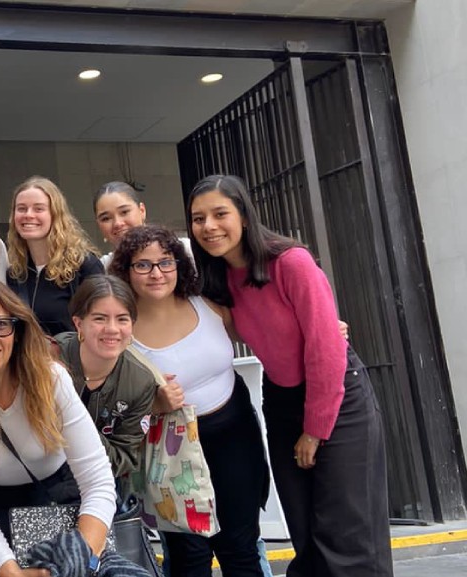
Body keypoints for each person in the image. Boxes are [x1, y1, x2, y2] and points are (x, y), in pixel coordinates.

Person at [186, 174, 392, 577]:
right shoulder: (218, 279)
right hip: (280, 401)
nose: (208, 226)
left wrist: (315, 429)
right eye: (198, 218)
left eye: (219, 214)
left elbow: (325, 348)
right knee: (304, 527)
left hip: (335, 396)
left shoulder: (291, 262)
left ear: (244, 215)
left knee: (346, 530)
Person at [0, 275, 116, 577]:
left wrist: (79, 558)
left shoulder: (52, 380)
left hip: (62, 495)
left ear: (17, 329)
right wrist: (11, 573)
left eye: (0, 324)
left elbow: (99, 482)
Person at [111, 224, 269, 577]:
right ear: (126, 271)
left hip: (234, 435)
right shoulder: (120, 332)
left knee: (241, 547)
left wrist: (321, 328)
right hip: (171, 452)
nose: (156, 273)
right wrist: (152, 406)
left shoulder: (209, 304)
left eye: (165, 262)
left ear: (179, 265)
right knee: (189, 556)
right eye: (143, 265)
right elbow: (109, 405)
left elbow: (266, 329)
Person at [53, 275, 158, 493]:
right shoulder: (50, 358)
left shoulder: (140, 383)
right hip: (38, 480)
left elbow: (124, 457)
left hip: (98, 486)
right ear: (78, 323)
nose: (112, 329)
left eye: (122, 319)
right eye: (100, 319)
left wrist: (72, 420)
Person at [6, 176, 104, 335]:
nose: (28, 215)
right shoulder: (15, 273)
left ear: (55, 215)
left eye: (38, 209)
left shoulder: (85, 266)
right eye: (22, 208)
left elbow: (101, 324)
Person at [93, 181, 147, 269]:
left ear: (142, 210)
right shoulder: (101, 269)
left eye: (124, 212)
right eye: (106, 218)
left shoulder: (174, 250)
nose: (117, 223)